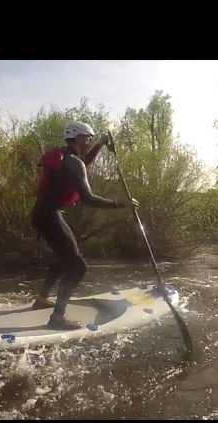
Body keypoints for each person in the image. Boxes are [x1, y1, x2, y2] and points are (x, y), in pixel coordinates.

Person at [31, 121, 139, 330]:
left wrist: (100, 144)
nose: (89, 142)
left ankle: (42, 298)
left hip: (41, 214)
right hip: (49, 216)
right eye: (88, 138)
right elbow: (88, 198)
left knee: (65, 259)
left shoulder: (67, 157)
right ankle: (57, 318)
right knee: (78, 266)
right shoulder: (73, 162)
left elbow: (83, 163)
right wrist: (120, 204)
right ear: (78, 138)